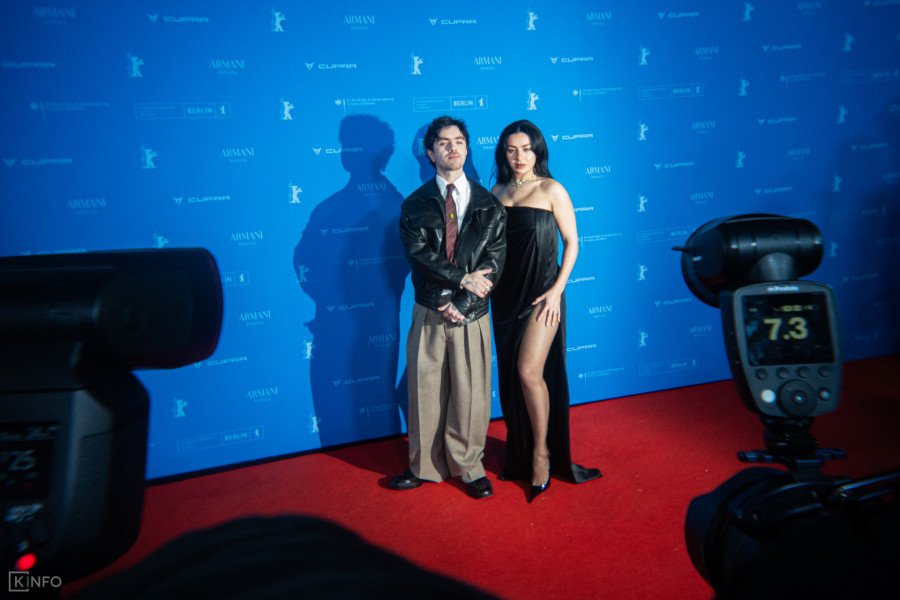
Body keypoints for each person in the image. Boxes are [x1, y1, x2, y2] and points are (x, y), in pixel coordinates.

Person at [391, 116, 507, 499]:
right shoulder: (414, 204)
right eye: (443, 142)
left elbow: (494, 262)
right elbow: (419, 256)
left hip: (471, 313)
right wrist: (457, 284)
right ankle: (424, 465)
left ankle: (469, 466)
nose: (452, 148)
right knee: (425, 389)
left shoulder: (489, 205)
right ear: (430, 152)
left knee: (471, 393)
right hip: (430, 308)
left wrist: (464, 299)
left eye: (459, 141)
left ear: (467, 148)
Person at [490, 119, 601, 502]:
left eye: (526, 149)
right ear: (503, 154)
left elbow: (572, 242)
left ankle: (541, 453)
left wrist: (557, 290)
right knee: (511, 376)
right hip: (505, 297)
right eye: (511, 150)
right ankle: (520, 450)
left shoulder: (552, 189)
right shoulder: (497, 191)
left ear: (538, 150)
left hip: (542, 295)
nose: (519, 157)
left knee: (528, 372)